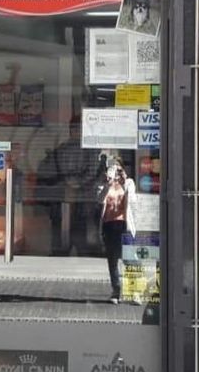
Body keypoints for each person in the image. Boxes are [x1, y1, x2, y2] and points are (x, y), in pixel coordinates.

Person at [37, 116, 102, 255]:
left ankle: (61, 255)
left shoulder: (60, 150)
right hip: (82, 199)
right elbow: (93, 172)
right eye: (75, 129)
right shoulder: (91, 151)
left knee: (61, 237)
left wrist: (66, 180)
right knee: (81, 237)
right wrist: (78, 182)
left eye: (78, 129)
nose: (77, 132)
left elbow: (44, 171)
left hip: (64, 197)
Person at [99, 159, 137, 304]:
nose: (115, 171)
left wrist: (124, 181)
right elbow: (99, 200)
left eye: (118, 168)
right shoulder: (103, 184)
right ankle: (116, 292)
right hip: (109, 224)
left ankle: (135, 293)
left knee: (130, 260)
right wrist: (107, 185)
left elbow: (133, 200)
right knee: (112, 260)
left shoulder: (129, 183)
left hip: (124, 225)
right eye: (112, 168)